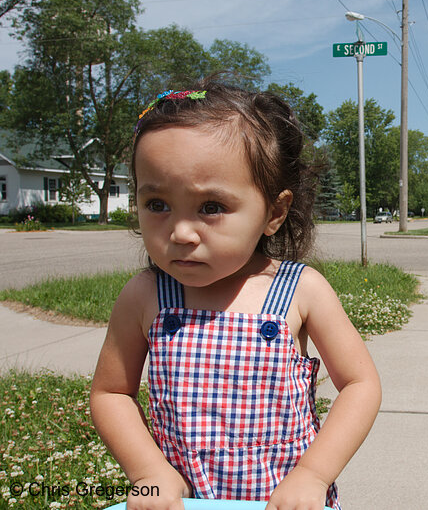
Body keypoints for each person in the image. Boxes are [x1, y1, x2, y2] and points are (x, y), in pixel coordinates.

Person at [90, 80, 381, 510]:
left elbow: (360, 384)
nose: (181, 232)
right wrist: (148, 473)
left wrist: (313, 474)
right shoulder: (146, 295)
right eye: (157, 204)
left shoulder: (300, 290)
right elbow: (111, 393)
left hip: (285, 500)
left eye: (210, 207)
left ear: (274, 212)